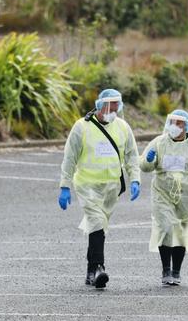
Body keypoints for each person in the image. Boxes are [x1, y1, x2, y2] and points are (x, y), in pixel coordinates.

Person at [59, 88, 141, 289]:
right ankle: (99, 268)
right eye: (109, 105)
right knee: (96, 222)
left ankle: (90, 271)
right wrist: (65, 185)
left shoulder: (122, 127)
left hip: (111, 188)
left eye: (116, 105)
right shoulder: (82, 127)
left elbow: (131, 155)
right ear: (100, 105)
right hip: (87, 186)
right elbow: (70, 158)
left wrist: (135, 180)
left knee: (98, 226)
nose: (113, 109)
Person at [140, 109, 188, 286]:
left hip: (187, 195)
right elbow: (144, 167)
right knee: (166, 227)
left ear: (186, 125)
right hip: (163, 193)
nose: (175, 126)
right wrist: (149, 160)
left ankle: (176, 270)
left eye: (179, 123)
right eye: (172, 122)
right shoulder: (159, 142)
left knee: (182, 233)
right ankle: (165, 270)